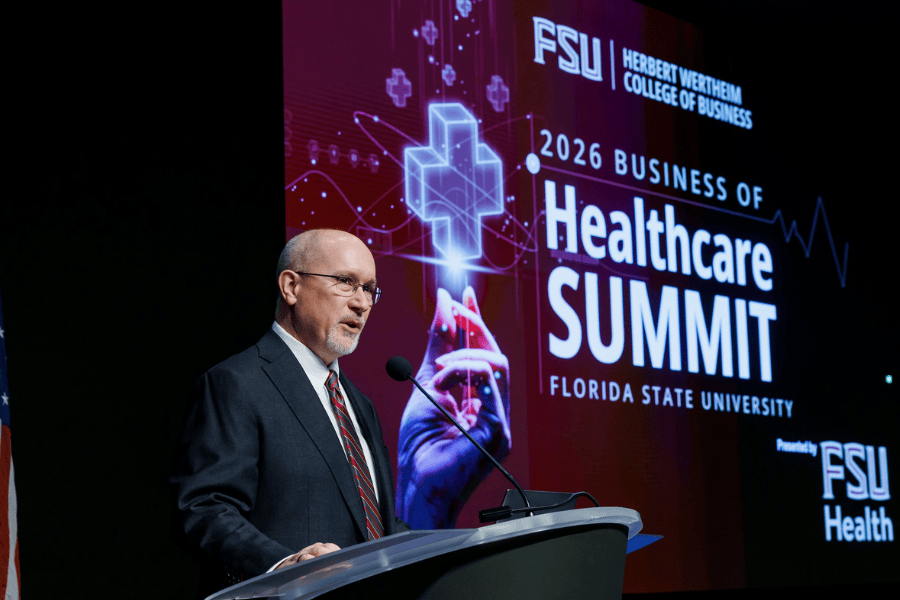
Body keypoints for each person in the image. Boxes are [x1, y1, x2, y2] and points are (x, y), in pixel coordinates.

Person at [171, 229, 409, 596]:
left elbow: (372, 522)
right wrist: (284, 566)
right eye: (346, 282)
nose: (361, 303)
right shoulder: (237, 383)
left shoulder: (359, 404)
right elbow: (204, 508)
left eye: (369, 289)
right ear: (291, 287)